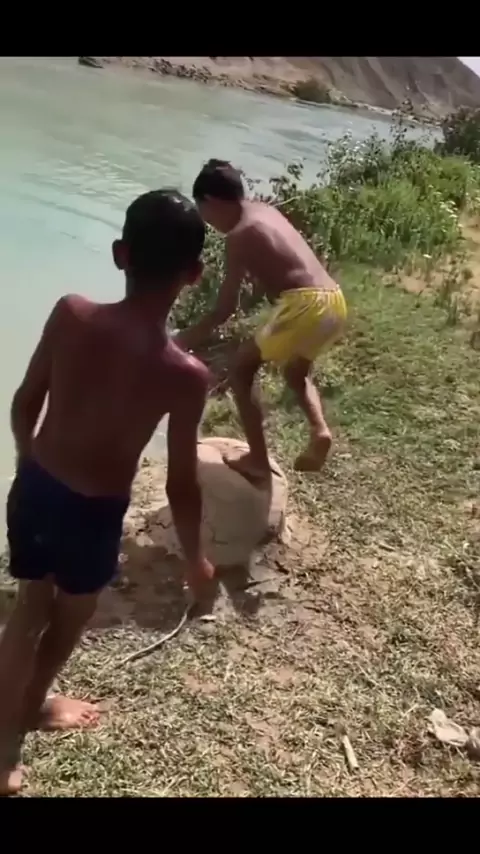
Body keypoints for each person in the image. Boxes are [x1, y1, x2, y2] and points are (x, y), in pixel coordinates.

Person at [0, 189, 214, 796]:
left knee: (29, 608)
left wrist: (26, 462)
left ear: (120, 254)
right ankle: (26, 711)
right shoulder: (186, 375)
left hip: (37, 487)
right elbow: (180, 482)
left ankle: (5, 738)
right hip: (95, 513)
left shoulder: (70, 314)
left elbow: (24, 403)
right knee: (71, 616)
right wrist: (196, 558)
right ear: (194, 275)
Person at [176, 159, 347, 481]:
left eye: (205, 214)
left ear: (211, 201)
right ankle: (320, 430)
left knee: (240, 371)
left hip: (305, 304)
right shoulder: (265, 211)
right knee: (296, 373)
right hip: (334, 300)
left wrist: (183, 339)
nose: (209, 222)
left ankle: (257, 459)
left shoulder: (239, 234)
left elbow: (224, 309)